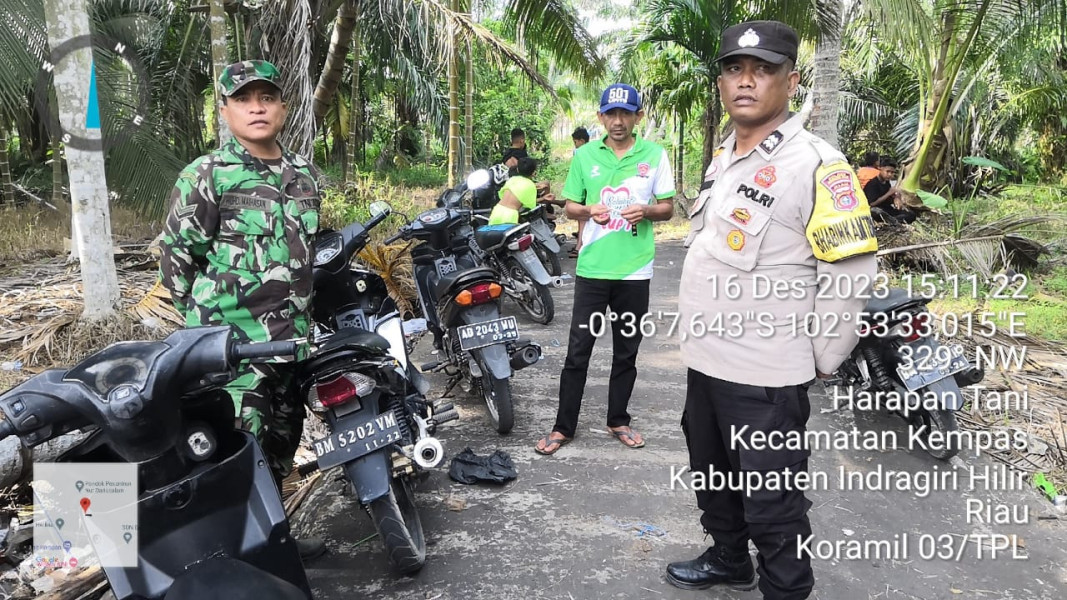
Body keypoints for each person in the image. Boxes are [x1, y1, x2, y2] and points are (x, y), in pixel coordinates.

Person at [667, 21, 878, 599]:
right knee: (713, 476)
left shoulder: (817, 165)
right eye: (735, 68)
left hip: (766, 373)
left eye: (763, 70)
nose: (746, 81)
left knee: (773, 500)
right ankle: (730, 558)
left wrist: (823, 357)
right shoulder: (727, 156)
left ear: (790, 80)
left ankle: (785, 588)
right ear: (721, 80)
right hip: (708, 361)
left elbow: (851, 271)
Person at [158, 60, 326, 560]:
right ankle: (229, 559)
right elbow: (176, 259)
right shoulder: (207, 174)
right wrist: (207, 326)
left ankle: (273, 544)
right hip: (231, 351)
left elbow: (306, 254)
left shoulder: (304, 174)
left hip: (290, 344)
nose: (257, 107)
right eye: (244, 99)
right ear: (225, 110)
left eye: (267, 98)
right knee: (234, 452)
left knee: (280, 447)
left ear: (283, 107)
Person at [534, 83, 676, 456]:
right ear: (600, 117)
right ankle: (563, 427)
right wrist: (588, 211)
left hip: (634, 271)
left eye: (625, 113)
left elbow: (668, 208)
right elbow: (570, 206)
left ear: (637, 117)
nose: (618, 121)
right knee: (578, 351)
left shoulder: (655, 155)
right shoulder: (584, 157)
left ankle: (619, 420)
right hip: (593, 269)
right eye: (610, 114)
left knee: (626, 351)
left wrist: (644, 211)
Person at [863, 157, 916, 224]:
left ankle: (892, 220)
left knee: (911, 214)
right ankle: (892, 221)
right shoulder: (873, 184)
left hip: (887, 210)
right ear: (880, 169)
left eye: (892, 172)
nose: (890, 175)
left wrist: (896, 198)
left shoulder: (887, 182)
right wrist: (888, 193)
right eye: (887, 171)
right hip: (878, 209)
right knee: (875, 212)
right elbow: (872, 204)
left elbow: (890, 197)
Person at [488, 157, 539, 225]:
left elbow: (501, 195)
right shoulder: (530, 185)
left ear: (517, 169)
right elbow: (530, 206)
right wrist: (544, 198)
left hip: (497, 211)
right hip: (510, 215)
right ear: (533, 172)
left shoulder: (511, 179)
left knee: (493, 234)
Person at [569, 127, 591, 257]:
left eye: (575, 142)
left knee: (582, 217)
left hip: (584, 188)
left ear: (581, 141)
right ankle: (579, 243)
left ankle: (579, 246)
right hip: (584, 188)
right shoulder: (591, 153)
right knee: (581, 218)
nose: (575, 145)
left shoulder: (582, 153)